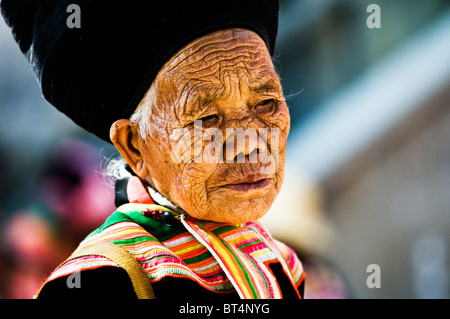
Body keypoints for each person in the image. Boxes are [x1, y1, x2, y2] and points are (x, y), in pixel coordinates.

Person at [1, 0, 305, 299]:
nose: (249, 143)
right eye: (207, 119)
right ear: (134, 146)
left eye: (266, 103)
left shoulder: (281, 264)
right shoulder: (101, 283)